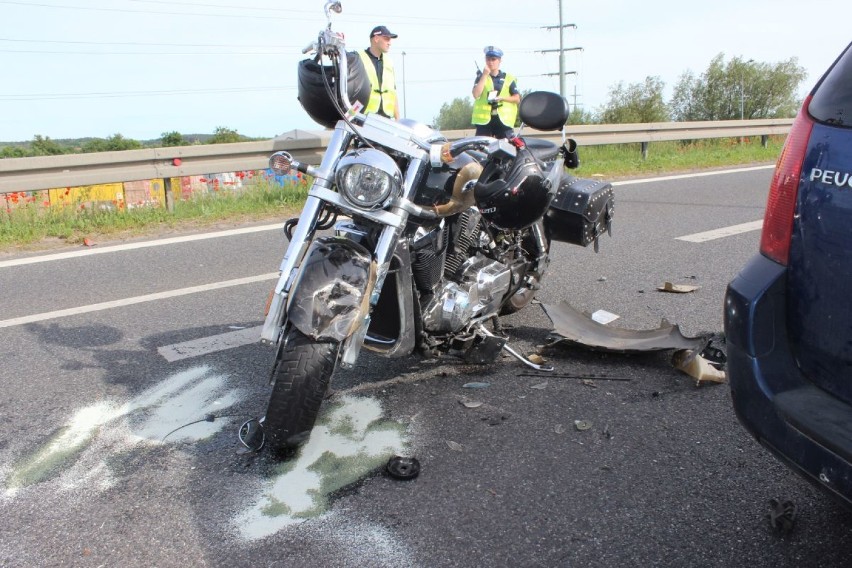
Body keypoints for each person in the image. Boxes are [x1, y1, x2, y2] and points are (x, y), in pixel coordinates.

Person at [471, 46, 521, 139]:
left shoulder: (508, 78)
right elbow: (476, 94)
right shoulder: (481, 77)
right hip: (484, 121)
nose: (490, 62)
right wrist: (485, 75)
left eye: (493, 59)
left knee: (506, 150)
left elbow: (517, 99)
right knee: (482, 150)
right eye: (488, 59)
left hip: (503, 121)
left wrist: (502, 98)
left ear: (499, 61)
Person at [356, 25, 400, 120]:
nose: (389, 43)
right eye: (386, 39)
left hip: (386, 119)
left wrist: (398, 119)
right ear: (376, 39)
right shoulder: (358, 58)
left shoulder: (389, 63)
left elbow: (393, 92)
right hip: (364, 118)